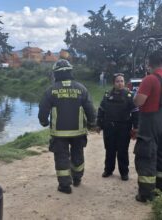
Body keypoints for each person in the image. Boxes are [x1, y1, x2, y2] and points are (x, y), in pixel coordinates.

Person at [38, 59, 96, 194]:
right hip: (78, 131)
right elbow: (90, 108)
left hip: (59, 133)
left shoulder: (51, 90)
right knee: (78, 154)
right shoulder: (81, 88)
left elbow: (43, 109)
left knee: (61, 157)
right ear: (70, 72)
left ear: (56, 74)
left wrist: (44, 122)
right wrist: (93, 123)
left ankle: (65, 186)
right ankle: (77, 179)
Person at [133, 50, 162, 202]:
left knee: (147, 156)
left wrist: (134, 97)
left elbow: (139, 101)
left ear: (149, 63)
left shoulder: (149, 79)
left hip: (151, 122)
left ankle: (146, 194)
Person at [96, 73, 138, 181]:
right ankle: (108, 170)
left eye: (122, 81)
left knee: (122, 150)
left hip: (124, 127)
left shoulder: (129, 95)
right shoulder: (107, 95)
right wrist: (99, 124)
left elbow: (135, 112)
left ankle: (124, 172)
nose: (120, 83)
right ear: (113, 83)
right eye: (117, 81)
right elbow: (101, 110)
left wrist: (136, 127)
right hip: (109, 127)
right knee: (109, 149)